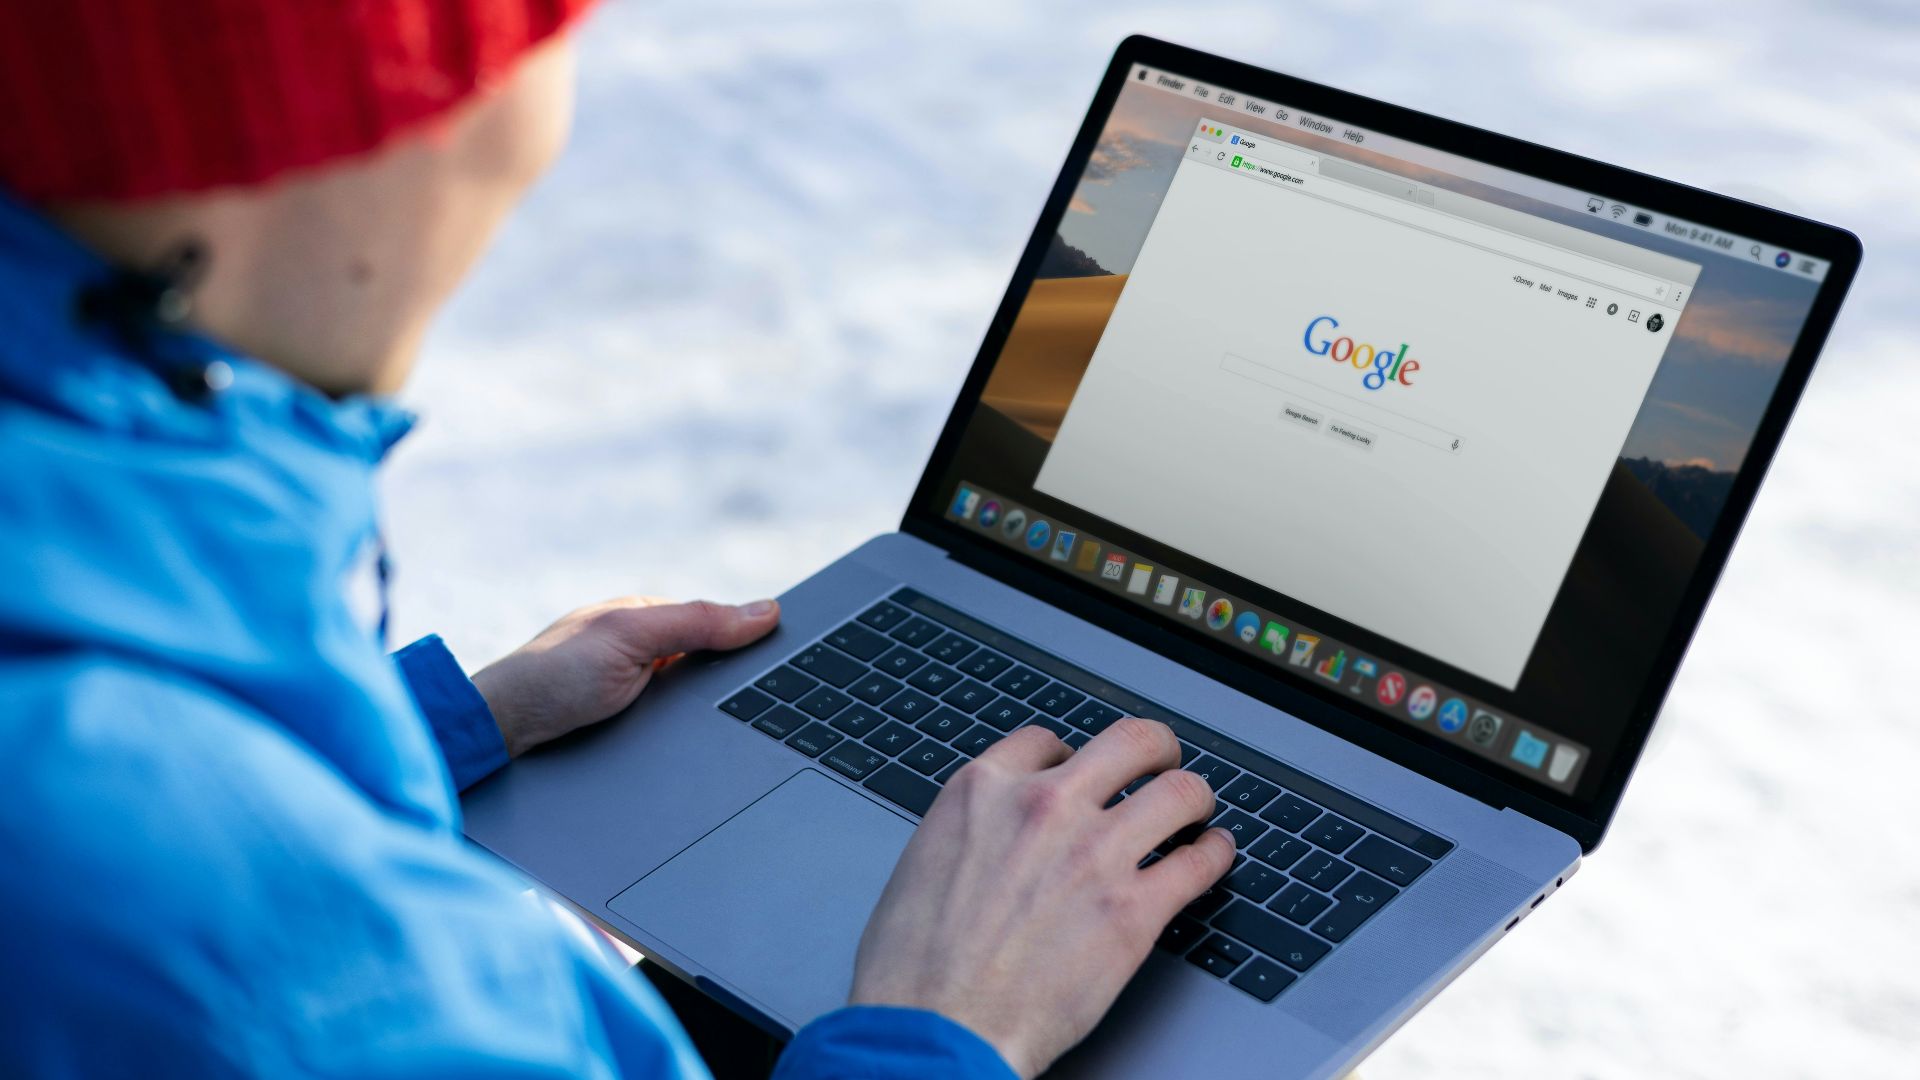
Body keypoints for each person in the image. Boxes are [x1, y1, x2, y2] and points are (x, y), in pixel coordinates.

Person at [0, 3, 1237, 1078]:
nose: (536, 134)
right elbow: (215, 903)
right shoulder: (256, 954)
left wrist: (448, 727)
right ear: (308, 134)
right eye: (520, 55)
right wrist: (951, 1021)